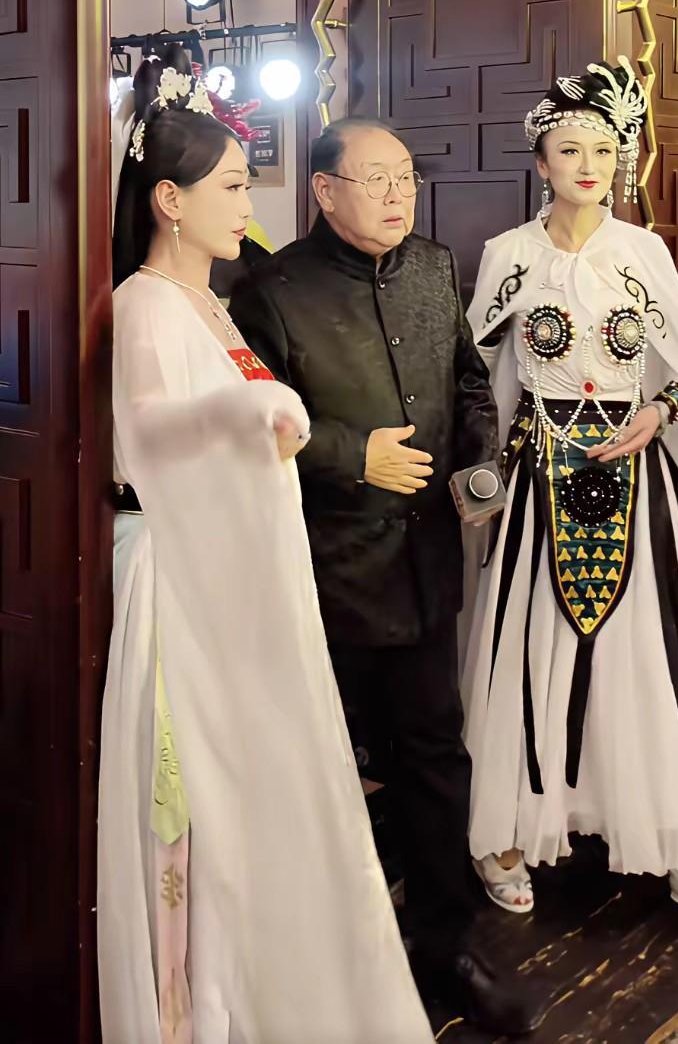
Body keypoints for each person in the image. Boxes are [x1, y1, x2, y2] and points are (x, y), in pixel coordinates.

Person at [100, 55, 433, 1044]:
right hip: (185, 581)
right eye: (235, 187)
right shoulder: (145, 303)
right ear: (170, 200)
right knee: (205, 801)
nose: (250, 205)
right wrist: (246, 413)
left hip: (241, 570)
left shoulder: (215, 303)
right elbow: (144, 432)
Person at [230, 117, 547, 1035]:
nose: (398, 194)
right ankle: (323, 956)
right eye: (376, 179)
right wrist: (349, 455)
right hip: (327, 575)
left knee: (435, 756)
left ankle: (446, 948)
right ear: (325, 191)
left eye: (405, 177)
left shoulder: (435, 268)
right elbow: (250, 425)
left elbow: (470, 384)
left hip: (425, 566)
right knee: (323, 770)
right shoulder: (271, 289)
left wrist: (478, 464)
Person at [461, 60, 678, 944]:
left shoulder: (643, 253)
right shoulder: (510, 256)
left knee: (645, 658)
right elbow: (477, 376)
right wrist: (483, 469)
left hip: (638, 479)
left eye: (602, 149)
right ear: (540, 162)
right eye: (568, 150)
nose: (588, 165)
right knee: (529, 649)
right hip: (538, 480)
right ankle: (506, 832)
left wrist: (659, 411)